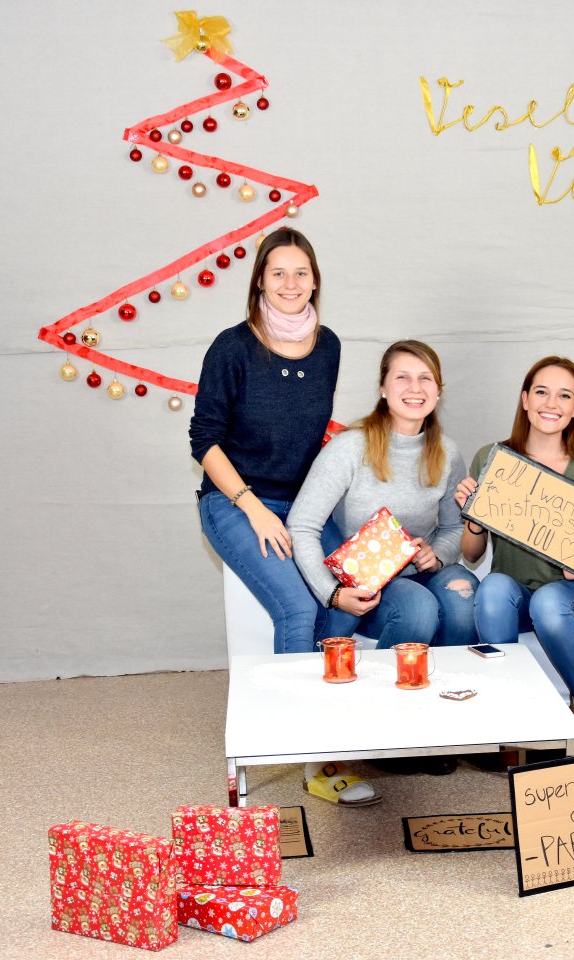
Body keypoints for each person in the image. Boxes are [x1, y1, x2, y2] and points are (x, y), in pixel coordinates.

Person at [189, 226, 379, 807]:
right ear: (260, 282)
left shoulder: (329, 346)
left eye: (301, 272)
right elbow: (204, 439)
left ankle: (322, 715)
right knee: (298, 606)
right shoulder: (232, 347)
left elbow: (308, 434)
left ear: (315, 281)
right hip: (234, 501)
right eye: (278, 273)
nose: (291, 283)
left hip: (302, 507)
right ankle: (312, 756)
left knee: (351, 587)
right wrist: (253, 507)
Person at [454, 357, 574, 753]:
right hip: (517, 594)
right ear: (525, 400)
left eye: (564, 396)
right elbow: (471, 554)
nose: (551, 403)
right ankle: (510, 715)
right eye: (541, 392)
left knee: (548, 602)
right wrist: (474, 516)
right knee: (491, 587)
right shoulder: (492, 458)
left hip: (572, 596)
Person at [288, 339, 479, 654]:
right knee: (418, 609)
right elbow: (302, 525)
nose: (415, 388)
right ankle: (388, 686)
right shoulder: (350, 447)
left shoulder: (447, 453)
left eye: (425, 378)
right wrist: (332, 593)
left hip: (425, 575)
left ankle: (445, 683)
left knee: (465, 596)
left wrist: (437, 556)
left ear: (438, 390)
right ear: (383, 388)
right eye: (402, 377)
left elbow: (454, 526)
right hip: (369, 585)